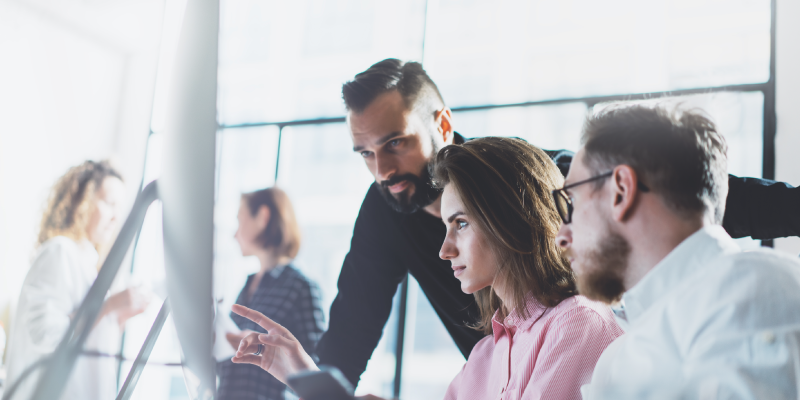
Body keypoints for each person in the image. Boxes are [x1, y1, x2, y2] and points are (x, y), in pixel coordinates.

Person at [312, 58, 800, 388]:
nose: (382, 170)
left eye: (395, 143)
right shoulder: (618, 350)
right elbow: (351, 328)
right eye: (366, 154)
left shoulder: (529, 184)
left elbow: (683, 191)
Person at [229, 137, 624, 400]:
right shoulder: (490, 351)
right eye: (445, 225)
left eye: (461, 223)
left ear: (511, 219)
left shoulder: (577, 324)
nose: (444, 249)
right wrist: (302, 372)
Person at [552, 103, 800, 398]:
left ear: (621, 190)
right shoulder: (620, 355)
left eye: (572, 202)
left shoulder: (745, 295)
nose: (561, 237)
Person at [5, 160, 149, 400]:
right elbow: (49, 337)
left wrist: (116, 318)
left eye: (119, 208)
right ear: (82, 202)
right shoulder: (59, 252)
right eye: (109, 204)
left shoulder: (88, 266)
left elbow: (86, 342)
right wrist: (109, 306)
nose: (116, 218)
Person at [216, 187, 325, 400]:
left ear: (262, 217)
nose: (234, 233)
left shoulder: (301, 287)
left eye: (240, 219)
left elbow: (315, 370)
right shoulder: (247, 286)